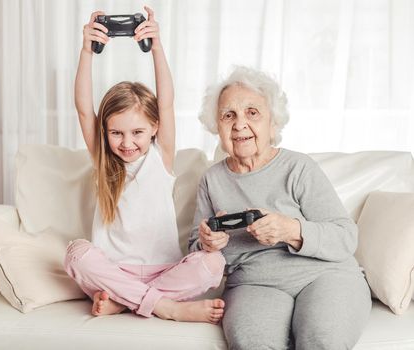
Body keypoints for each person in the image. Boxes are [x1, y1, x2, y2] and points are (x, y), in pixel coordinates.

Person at [189, 66, 372, 349]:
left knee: (321, 340)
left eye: (252, 113)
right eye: (229, 115)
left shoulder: (299, 168)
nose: (239, 125)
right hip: (254, 285)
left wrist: (292, 230)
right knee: (253, 343)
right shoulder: (211, 181)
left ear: (272, 123)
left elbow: (346, 236)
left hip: (326, 276)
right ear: (217, 126)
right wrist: (207, 244)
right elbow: (193, 250)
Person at [64, 7, 225, 324]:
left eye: (137, 132)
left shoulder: (160, 155)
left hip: (161, 270)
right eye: (116, 133)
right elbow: (84, 110)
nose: (126, 143)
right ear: (105, 132)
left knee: (214, 263)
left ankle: (126, 301)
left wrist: (157, 46)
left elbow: (166, 100)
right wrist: (86, 51)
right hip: (112, 272)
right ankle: (166, 307)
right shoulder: (104, 161)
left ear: (154, 127)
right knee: (76, 254)